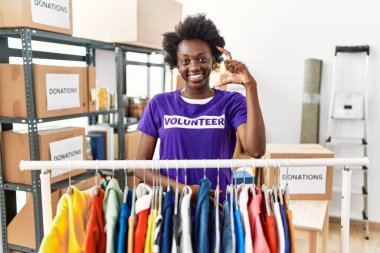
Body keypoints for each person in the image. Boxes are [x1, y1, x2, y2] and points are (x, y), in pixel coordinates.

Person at [135, 13, 265, 201]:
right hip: (174, 209)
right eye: (185, 61)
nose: (194, 67)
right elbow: (140, 167)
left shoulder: (232, 102)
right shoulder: (160, 103)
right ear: (177, 66)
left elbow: (256, 151)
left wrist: (250, 86)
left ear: (214, 60)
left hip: (218, 208)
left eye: (202, 59)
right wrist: (184, 190)